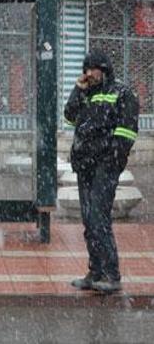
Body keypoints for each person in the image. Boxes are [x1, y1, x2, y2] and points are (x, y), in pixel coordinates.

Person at [65, 50, 139, 294]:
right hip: (84, 165)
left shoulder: (122, 93)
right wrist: (78, 89)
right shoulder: (87, 93)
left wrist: (111, 162)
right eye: (85, 69)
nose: (87, 74)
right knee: (89, 220)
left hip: (104, 167)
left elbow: (126, 132)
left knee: (99, 217)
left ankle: (111, 274)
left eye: (92, 69)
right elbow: (69, 116)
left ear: (104, 68)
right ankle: (95, 271)